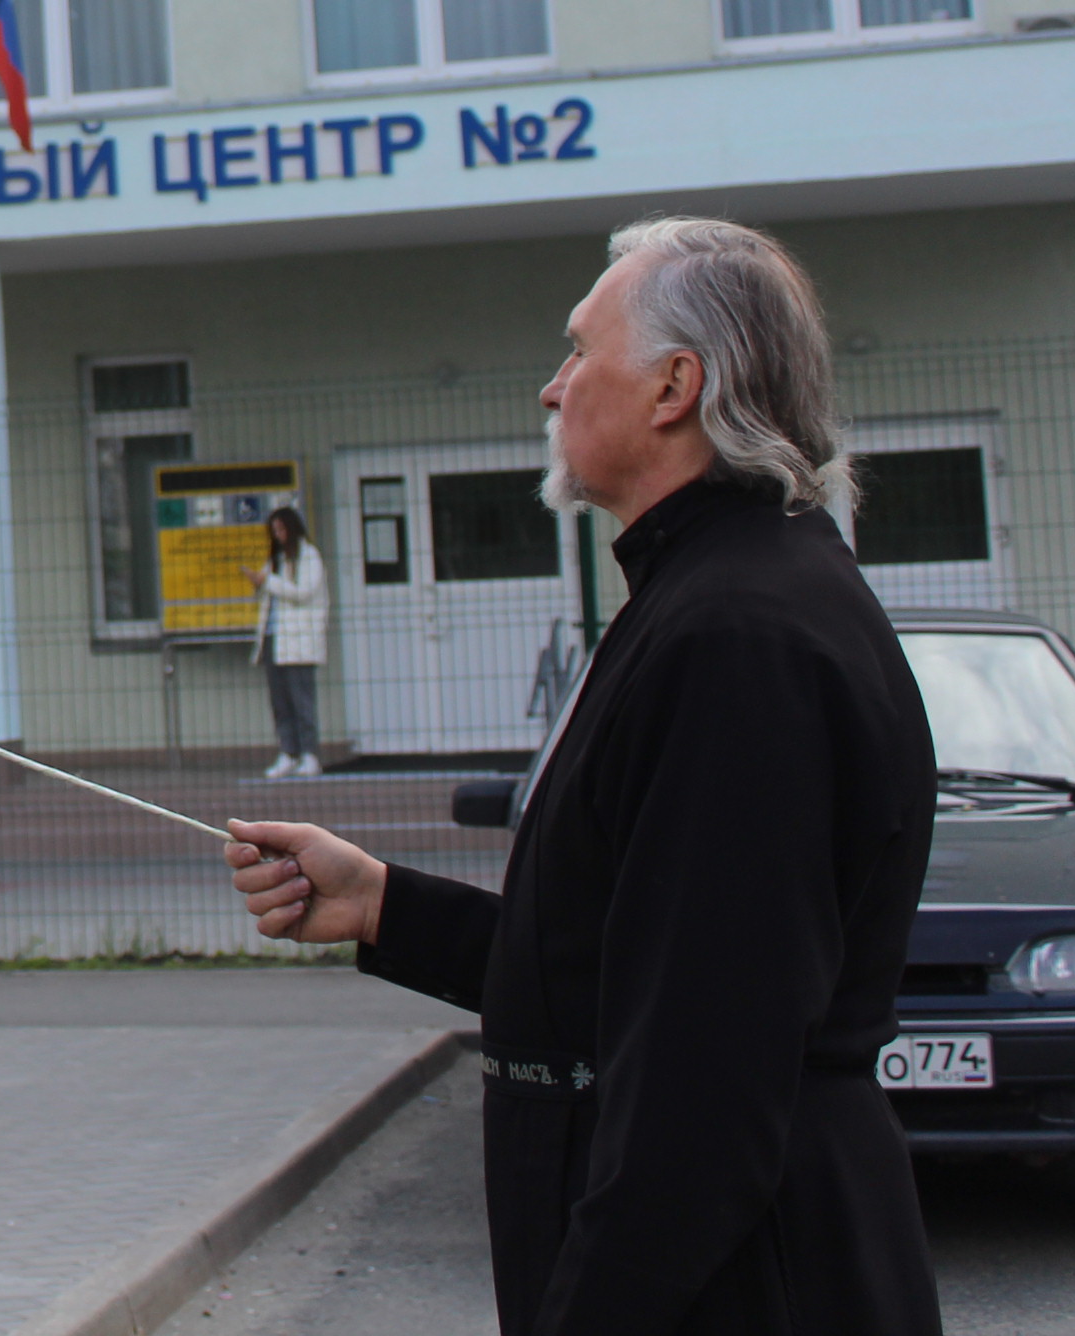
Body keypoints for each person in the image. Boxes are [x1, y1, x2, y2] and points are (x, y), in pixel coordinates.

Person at [223, 216, 939, 1336]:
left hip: (751, 1290)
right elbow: (633, 967)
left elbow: (706, 1081)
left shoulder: (738, 636)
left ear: (673, 387)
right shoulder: (707, 596)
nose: (552, 391)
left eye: (576, 354)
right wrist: (383, 907)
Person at [242, 505, 327, 778]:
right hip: (274, 639)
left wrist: (268, 581)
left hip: (299, 642)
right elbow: (270, 591)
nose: (277, 535)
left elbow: (302, 592)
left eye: (281, 529)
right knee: (280, 703)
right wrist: (260, 582)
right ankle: (288, 752)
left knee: (301, 700)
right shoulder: (277, 559)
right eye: (273, 531)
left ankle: (309, 753)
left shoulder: (308, 556)